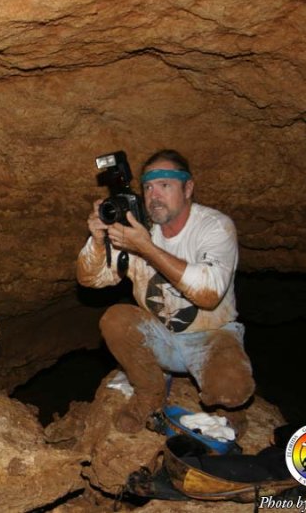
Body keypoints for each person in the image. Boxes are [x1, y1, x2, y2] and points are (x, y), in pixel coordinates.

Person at [77, 149, 255, 435]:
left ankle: (227, 408)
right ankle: (150, 393)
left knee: (231, 389)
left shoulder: (214, 227)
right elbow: (91, 279)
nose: (154, 195)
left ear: (188, 188)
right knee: (115, 319)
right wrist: (97, 241)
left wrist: (146, 247)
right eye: (148, 187)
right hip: (160, 336)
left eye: (165, 185)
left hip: (212, 336)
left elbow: (208, 294)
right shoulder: (135, 226)